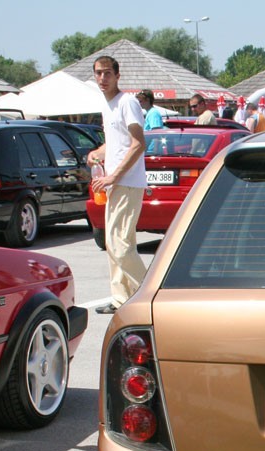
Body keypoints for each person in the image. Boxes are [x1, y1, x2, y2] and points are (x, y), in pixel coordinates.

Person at [87, 55, 148, 315]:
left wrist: (114, 176)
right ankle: (121, 298)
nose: (103, 78)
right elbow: (116, 143)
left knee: (120, 246)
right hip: (114, 184)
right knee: (115, 244)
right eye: (98, 73)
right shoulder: (107, 105)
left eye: (107, 73)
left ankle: (150, 294)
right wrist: (97, 153)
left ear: (117, 75)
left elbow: (138, 144)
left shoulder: (127, 102)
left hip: (128, 183)